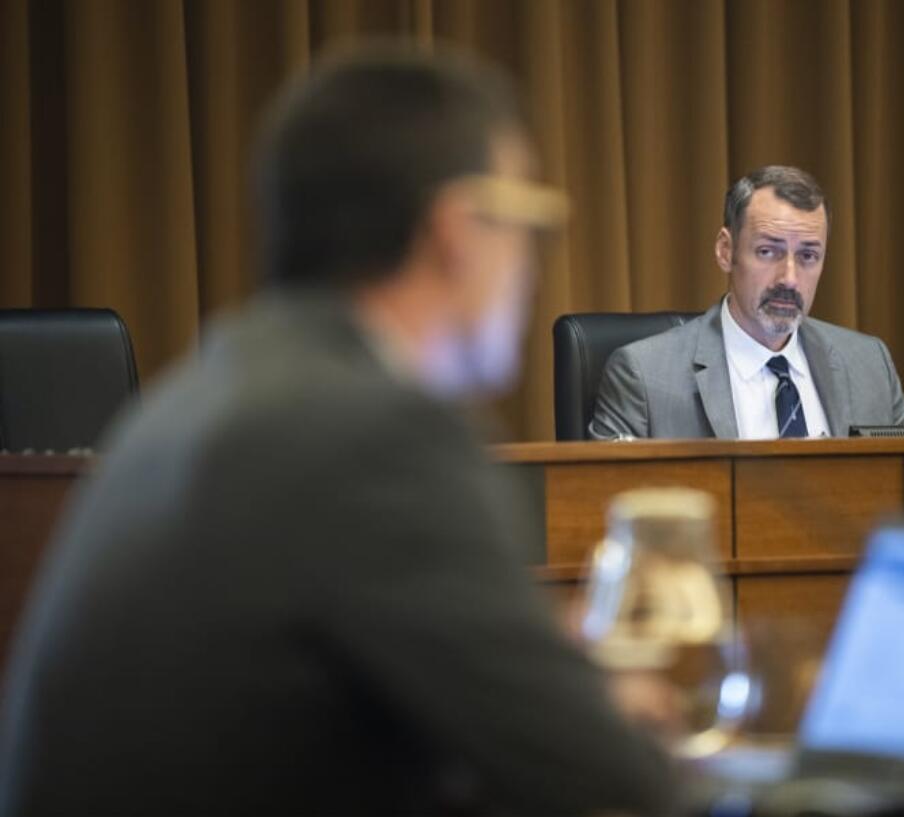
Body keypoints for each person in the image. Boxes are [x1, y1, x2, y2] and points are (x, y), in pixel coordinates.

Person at [0, 45, 674, 816]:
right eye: (530, 223)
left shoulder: (206, 391)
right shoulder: (378, 433)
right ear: (455, 232)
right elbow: (606, 781)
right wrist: (598, 697)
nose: (531, 263)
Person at [588, 165, 904, 440]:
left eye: (808, 256)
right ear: (726, 251)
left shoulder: (871, 367)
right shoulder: (644, 376)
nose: (789, 278)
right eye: (768, 252)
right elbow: (609, 505)